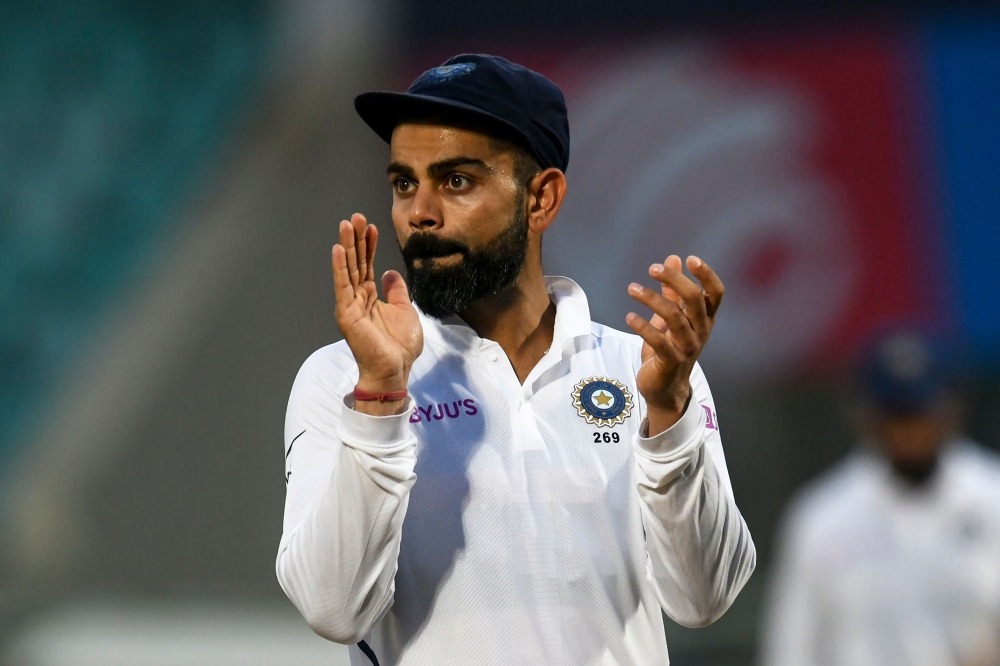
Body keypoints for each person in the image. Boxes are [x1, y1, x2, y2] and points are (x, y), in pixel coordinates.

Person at [276, 54, 756, 666]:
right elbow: (332, 609)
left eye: (456, 181)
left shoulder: (648, 372)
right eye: (403, 183)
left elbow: (703, 598)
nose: (419, 211)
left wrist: (668, 416)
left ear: (541, 199)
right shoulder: (341, 379)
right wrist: (381, 394)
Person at [761, 331, 1000, 666]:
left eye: (919, 412)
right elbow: (793, 649)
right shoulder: (823, 516)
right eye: (896, 415)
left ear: (950, 409)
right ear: (867, 416)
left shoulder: (992, 495)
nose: (909, 429)